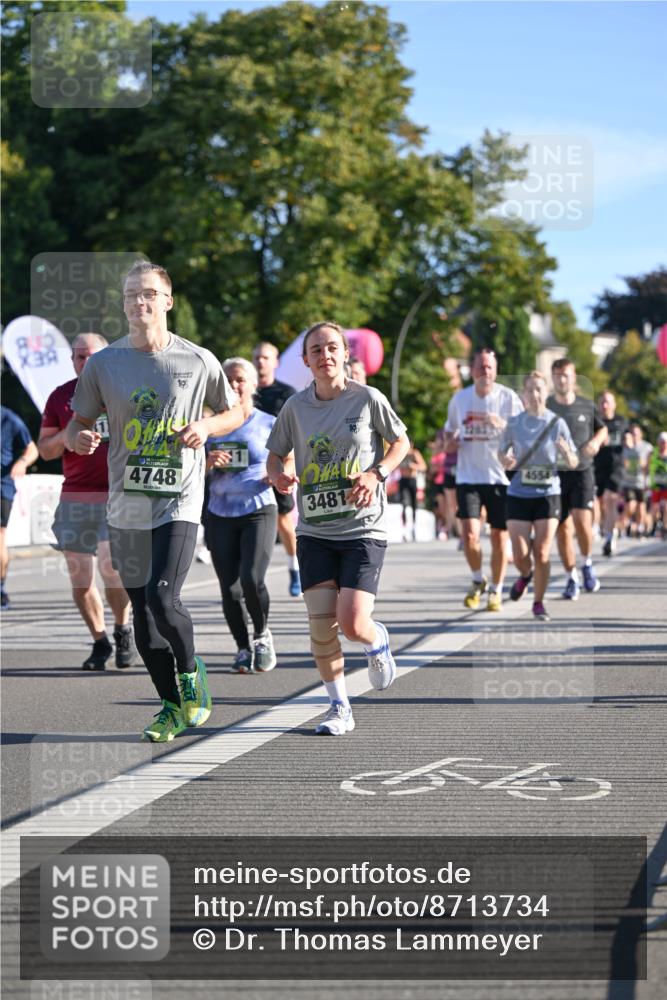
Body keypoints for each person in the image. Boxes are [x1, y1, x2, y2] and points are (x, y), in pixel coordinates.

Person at [66, 261, 243, 742]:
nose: (137, 303)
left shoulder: (197, 359)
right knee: (143, 616)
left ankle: (190, 673)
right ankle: (169, 705)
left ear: (167, 301)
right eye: (129, 296)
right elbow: (75, 423)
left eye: (147, 294)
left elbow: (236, 411)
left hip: (178, 498)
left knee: (165, 598)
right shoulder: (105, 364)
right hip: (126, 504)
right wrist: (80, 437)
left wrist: (205, 427)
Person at [266, 321, 409, 736]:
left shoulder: (367, 399)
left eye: (332, 348)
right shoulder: (295, 408)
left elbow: (401, 442)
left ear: (346, 354)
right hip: (314, 530)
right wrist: (279, 476)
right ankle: (339, 707)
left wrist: (376, 473)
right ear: (306, 360)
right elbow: (275, 456)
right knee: (321, 627)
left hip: (364, 528)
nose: (324, 355)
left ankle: (376, 640)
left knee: (352, 623)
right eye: (316, 350)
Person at [39, 334, 139, 670]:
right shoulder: (60, 397)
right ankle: (100, 641)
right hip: (77, 495)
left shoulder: (123, 390)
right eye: (79, 356)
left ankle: (123, 627)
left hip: (118, 493)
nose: (84, 362)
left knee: (112, 568)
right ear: (72, 360)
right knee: (80, 577)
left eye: (91, 356)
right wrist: (71, 429)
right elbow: (45, 450)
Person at [206, 357, 277, 674]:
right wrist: (208, 460)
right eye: (228, 379)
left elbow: (288, 459)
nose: (234, 385)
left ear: (253, 384)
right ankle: (242, 648)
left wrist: (280, 474)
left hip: (258, 507)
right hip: (219, 511)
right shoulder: (211, 424)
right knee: (229, 587)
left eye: (239, 379)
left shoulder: (268, 422)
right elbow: (193, 467)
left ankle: (262, 635)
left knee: (251, 578)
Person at [442, 347, 523, 611]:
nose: (485, 372)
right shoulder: (460, 400)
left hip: (499, 478)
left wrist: (504, 426)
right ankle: (479, 579)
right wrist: (450, 443)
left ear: (495, 370)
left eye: (489, 367)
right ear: (473, 370)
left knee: (500, 539)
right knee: (470, 535)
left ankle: (497, 591)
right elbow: (447, 439)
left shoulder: (508, 399)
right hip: (468, 477)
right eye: (480, 367)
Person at [498, 372, 578, 621]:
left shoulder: (557, 423)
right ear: (523, 394)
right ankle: (525, 575)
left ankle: (538, 602)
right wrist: (506, 460)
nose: (534, 394)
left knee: (542, 551)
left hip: (548, 493)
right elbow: (501, 455)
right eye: (530, 390)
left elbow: (574, 461)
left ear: (546, 393)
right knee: (521, 555)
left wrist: (566, 453)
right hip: (519, 493)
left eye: (539, 389)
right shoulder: (514, 423)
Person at [547, 359, 608, 600]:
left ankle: (587, 563)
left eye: (566, 375)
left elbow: (601, 428)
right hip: (555, 473)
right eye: (558, 375)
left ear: (574, 378)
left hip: (582, 470)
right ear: (553, 378)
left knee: (583, 523)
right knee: (562, 528)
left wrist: (595, 441)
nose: (562, 379)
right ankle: (571, 576)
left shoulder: (586, 405)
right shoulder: (547, 405)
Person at [252, 341, 301, 597]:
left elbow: (295, 432)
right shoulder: (245, 391)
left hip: (280, 462)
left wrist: (283, 467)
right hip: (248, 466)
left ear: (276, 362)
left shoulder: (287, 394)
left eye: (266, 358)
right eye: (257, 358)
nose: (261, 362)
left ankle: (294, 568)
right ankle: (248, 580)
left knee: (283, 520)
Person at [1, 406, 38, 609]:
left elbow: (32, 449)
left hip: (1, 486)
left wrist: (22, 462)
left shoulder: (8, 417)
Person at [593, 391, 627, 557]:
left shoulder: (621, 422)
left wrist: (629, 441)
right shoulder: (594, 422)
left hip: (615, 467)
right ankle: (602, 528)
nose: (605, 405)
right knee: (597, 503)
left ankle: (609, 537)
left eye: (608, 402)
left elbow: (629, 437)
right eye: (602, 402)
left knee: (610, 499)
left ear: (614, 404)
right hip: (596, 467)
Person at [621, 423, 653, 538]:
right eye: (632, 433)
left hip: (642, 482)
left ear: (640, 434)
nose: (634, 436)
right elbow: (623, 464)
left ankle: (639, 527)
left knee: (641, 506)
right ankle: (628, 524)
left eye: (636, 433)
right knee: (630, 505)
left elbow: (649, 465)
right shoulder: (625, 447)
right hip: (628, 482)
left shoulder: (647, 447)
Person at [398, 441, 427, 541]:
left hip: (412, 480)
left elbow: (423, 467)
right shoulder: (400, 453)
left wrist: (413, 466)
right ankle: (404, 529)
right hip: (403, 480)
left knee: (414, 504)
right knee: (403, 504)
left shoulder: (415, 454)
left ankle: (413, 528)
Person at [648, 431, 667, 538]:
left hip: (666, 484)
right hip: (655, 484)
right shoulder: (653, 452)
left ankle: (665, 527)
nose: (663, 444)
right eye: (661, 442)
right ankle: (655, 525)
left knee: (666, 508)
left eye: (665, 442)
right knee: (654, 507)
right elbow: (647, 466)